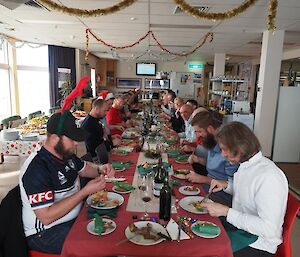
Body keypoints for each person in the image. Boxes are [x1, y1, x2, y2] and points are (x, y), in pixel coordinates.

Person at [19, 111, 115, 254]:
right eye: (72, 139)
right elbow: (46, 217)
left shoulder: (65, 154)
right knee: (100, 246)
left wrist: (101, 169)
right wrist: (84, 192)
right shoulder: (37, 168)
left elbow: (85, 168)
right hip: (46, 233)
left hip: (73, 218)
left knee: (113, 224)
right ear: (54, 138)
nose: (76, 142)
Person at [202, 122, 288, 257]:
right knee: (201, 226)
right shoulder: (246, 164)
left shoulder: (269, 177)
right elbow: (249, 193)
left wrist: (226, 212)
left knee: (205, 251)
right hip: (240, 227)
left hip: (258, 243)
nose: (223, 155)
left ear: (240, 147)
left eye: (225, 149)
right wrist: (227, 185)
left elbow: (269, 229)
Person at [186, 111, 239, 205]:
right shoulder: (211, 142)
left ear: (210, 129)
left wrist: (203, 179)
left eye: (199, 131)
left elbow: (233, 186)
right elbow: (215, 164)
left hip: (221, 196)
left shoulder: (228, 149)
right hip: (208, 187)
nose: (197, 135)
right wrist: (198, 160)